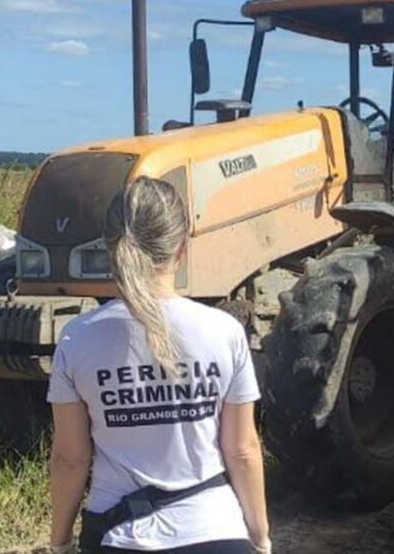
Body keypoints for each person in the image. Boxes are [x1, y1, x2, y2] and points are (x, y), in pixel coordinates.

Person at [46, 176, 271, 554]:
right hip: (215, 533)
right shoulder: (224, 332)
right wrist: (260, 539)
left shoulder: (76, 339)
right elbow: (243, 450)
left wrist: (60, 541)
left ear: (109, 249)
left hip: (117, 536)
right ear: (181, 249)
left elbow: (70, 458)